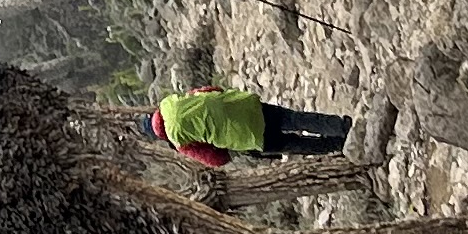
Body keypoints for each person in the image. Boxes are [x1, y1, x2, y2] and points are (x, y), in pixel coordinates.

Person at [146, 87, 357, 166]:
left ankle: (338, 145)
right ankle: (340, 126)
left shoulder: (178, 139)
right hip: (245, 107)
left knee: (294, 143)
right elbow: (210, 89)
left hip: (246, 136)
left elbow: (215, 159)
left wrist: (224, 149)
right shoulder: (171, 101)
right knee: (294, 118)